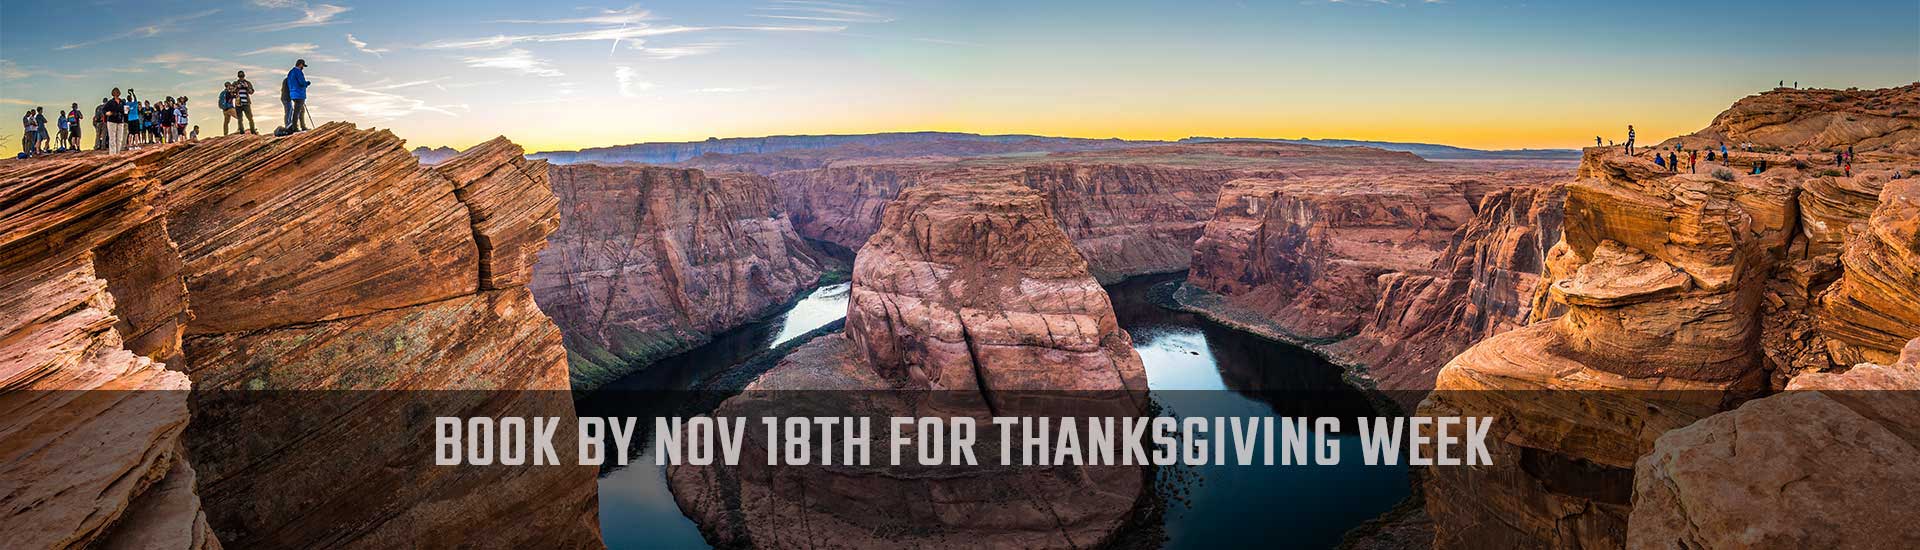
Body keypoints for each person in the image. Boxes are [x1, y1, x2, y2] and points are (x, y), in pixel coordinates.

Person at [285, 59, 311, 132]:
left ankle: (302, 126)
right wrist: (307, 83)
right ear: (300, 64)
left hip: (293, 94)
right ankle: (295, 128)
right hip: (299, 94)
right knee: (297, 111)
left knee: (301, 110)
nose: (303, 68)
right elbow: (302, 83)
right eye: (303, 66)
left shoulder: (291, 72)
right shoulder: (298, 71)